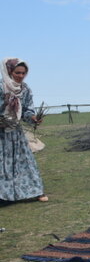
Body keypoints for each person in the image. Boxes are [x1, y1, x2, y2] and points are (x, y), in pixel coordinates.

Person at [0, 58, 47, 202]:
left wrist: (33, 118)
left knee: (24, 162)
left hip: (16, 132)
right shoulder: (1, 87)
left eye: (23, 73)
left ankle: (33, 191)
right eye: (17, 73)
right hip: (1, 133)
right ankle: (4, 195)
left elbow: (27, 109)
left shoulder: (24, 89)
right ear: (9, 71)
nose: (21, 76)